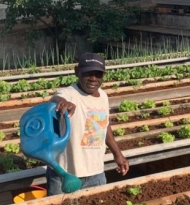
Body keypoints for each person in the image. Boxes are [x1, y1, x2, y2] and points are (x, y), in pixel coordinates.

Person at [47, 52, 129, 195]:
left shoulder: (103, 96)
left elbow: (104, 124)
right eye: (88, 73)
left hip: (96, 173)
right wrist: (62, 103)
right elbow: (55, 100)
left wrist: (118, 154)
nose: (93, 79)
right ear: (77, 72)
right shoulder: (68, 93)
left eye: (98, 74)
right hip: (65, 173)